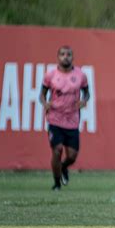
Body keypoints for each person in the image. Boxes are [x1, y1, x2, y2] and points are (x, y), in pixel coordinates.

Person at [39, 46, 90, 191]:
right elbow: (42, 94)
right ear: (58, 57)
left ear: (72, 57)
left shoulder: (80, 75)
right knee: (57, 150)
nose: (65, 57)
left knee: (72, 156)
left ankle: (63, 167)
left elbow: (87, 93)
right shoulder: (50, 75)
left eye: (68, 54)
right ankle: (56, 183)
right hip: (55, 119)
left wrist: (84, 100)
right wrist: (45, 103)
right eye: (62, 54)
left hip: (72, 120)